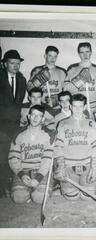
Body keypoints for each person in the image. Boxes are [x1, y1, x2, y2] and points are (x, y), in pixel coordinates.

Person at [54, 94, 96, 200]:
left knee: (87, 197)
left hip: (87, 164)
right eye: (75, 106)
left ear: (84, 107)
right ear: (70, 106)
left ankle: (88, 184)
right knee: (72, 196)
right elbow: (58, 146)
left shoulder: (91, 123)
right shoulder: (62, 123)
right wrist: (61, 166)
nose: (77, 109)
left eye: (80, 106)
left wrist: (94, 167)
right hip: (69, 165)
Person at [8, 105, 55, 204]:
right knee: (18, 198)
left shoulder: (49, 134)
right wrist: (21, 175)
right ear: (28, 116)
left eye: (39, 116)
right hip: (23, 170)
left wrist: (38, 178)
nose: (35, 118)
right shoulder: (19, 133)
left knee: (39, 198)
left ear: (43, 119)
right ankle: (27, 189)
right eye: (33, 114)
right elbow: (13, 157)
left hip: (40, 171)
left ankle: (37, 189)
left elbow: (47, 160)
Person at [0, 50, 27, 197]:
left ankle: (10, 185)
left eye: (18, 63)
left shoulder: (22, 80)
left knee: (13, 156)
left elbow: (18, 103)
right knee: (1, 157)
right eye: (12, 63)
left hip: (15, 126)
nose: (16, 66)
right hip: (1, 125)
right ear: (5, 64)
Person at [63, 42, 96, 114]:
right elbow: (65, 89)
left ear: (91, 52)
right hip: (78, 108)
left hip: (94, 108)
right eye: (82, 52)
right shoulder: (72, 69)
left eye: (87, 52)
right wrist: (80, 80)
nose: (85, 55)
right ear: (78, 54)